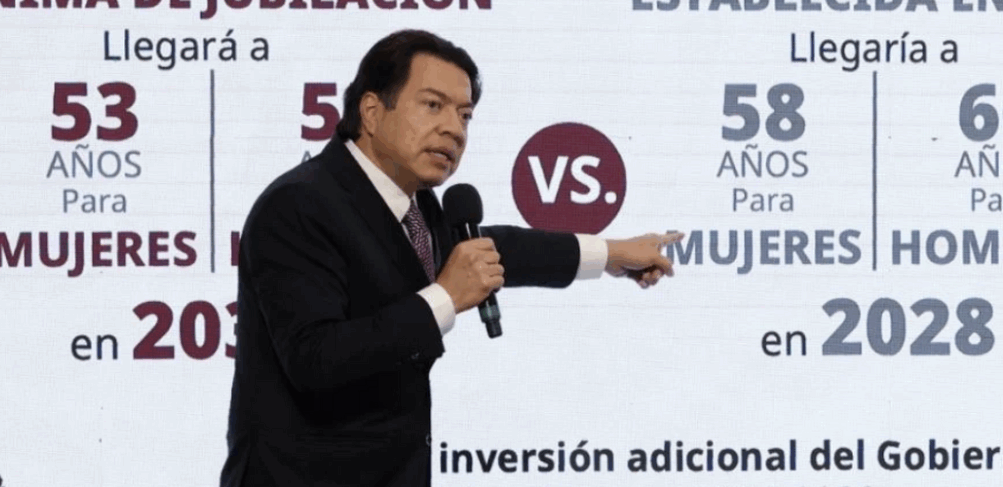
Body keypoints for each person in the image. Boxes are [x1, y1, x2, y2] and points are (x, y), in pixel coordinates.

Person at [220, 29, 682, 487]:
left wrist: (611, 254)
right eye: (433, 105)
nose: (454, 130)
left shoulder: (413, 205)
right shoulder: (300, 204)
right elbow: (314, 359)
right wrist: (444, 297)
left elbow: (492, 250)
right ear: (372, 112)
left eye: (465, 116)